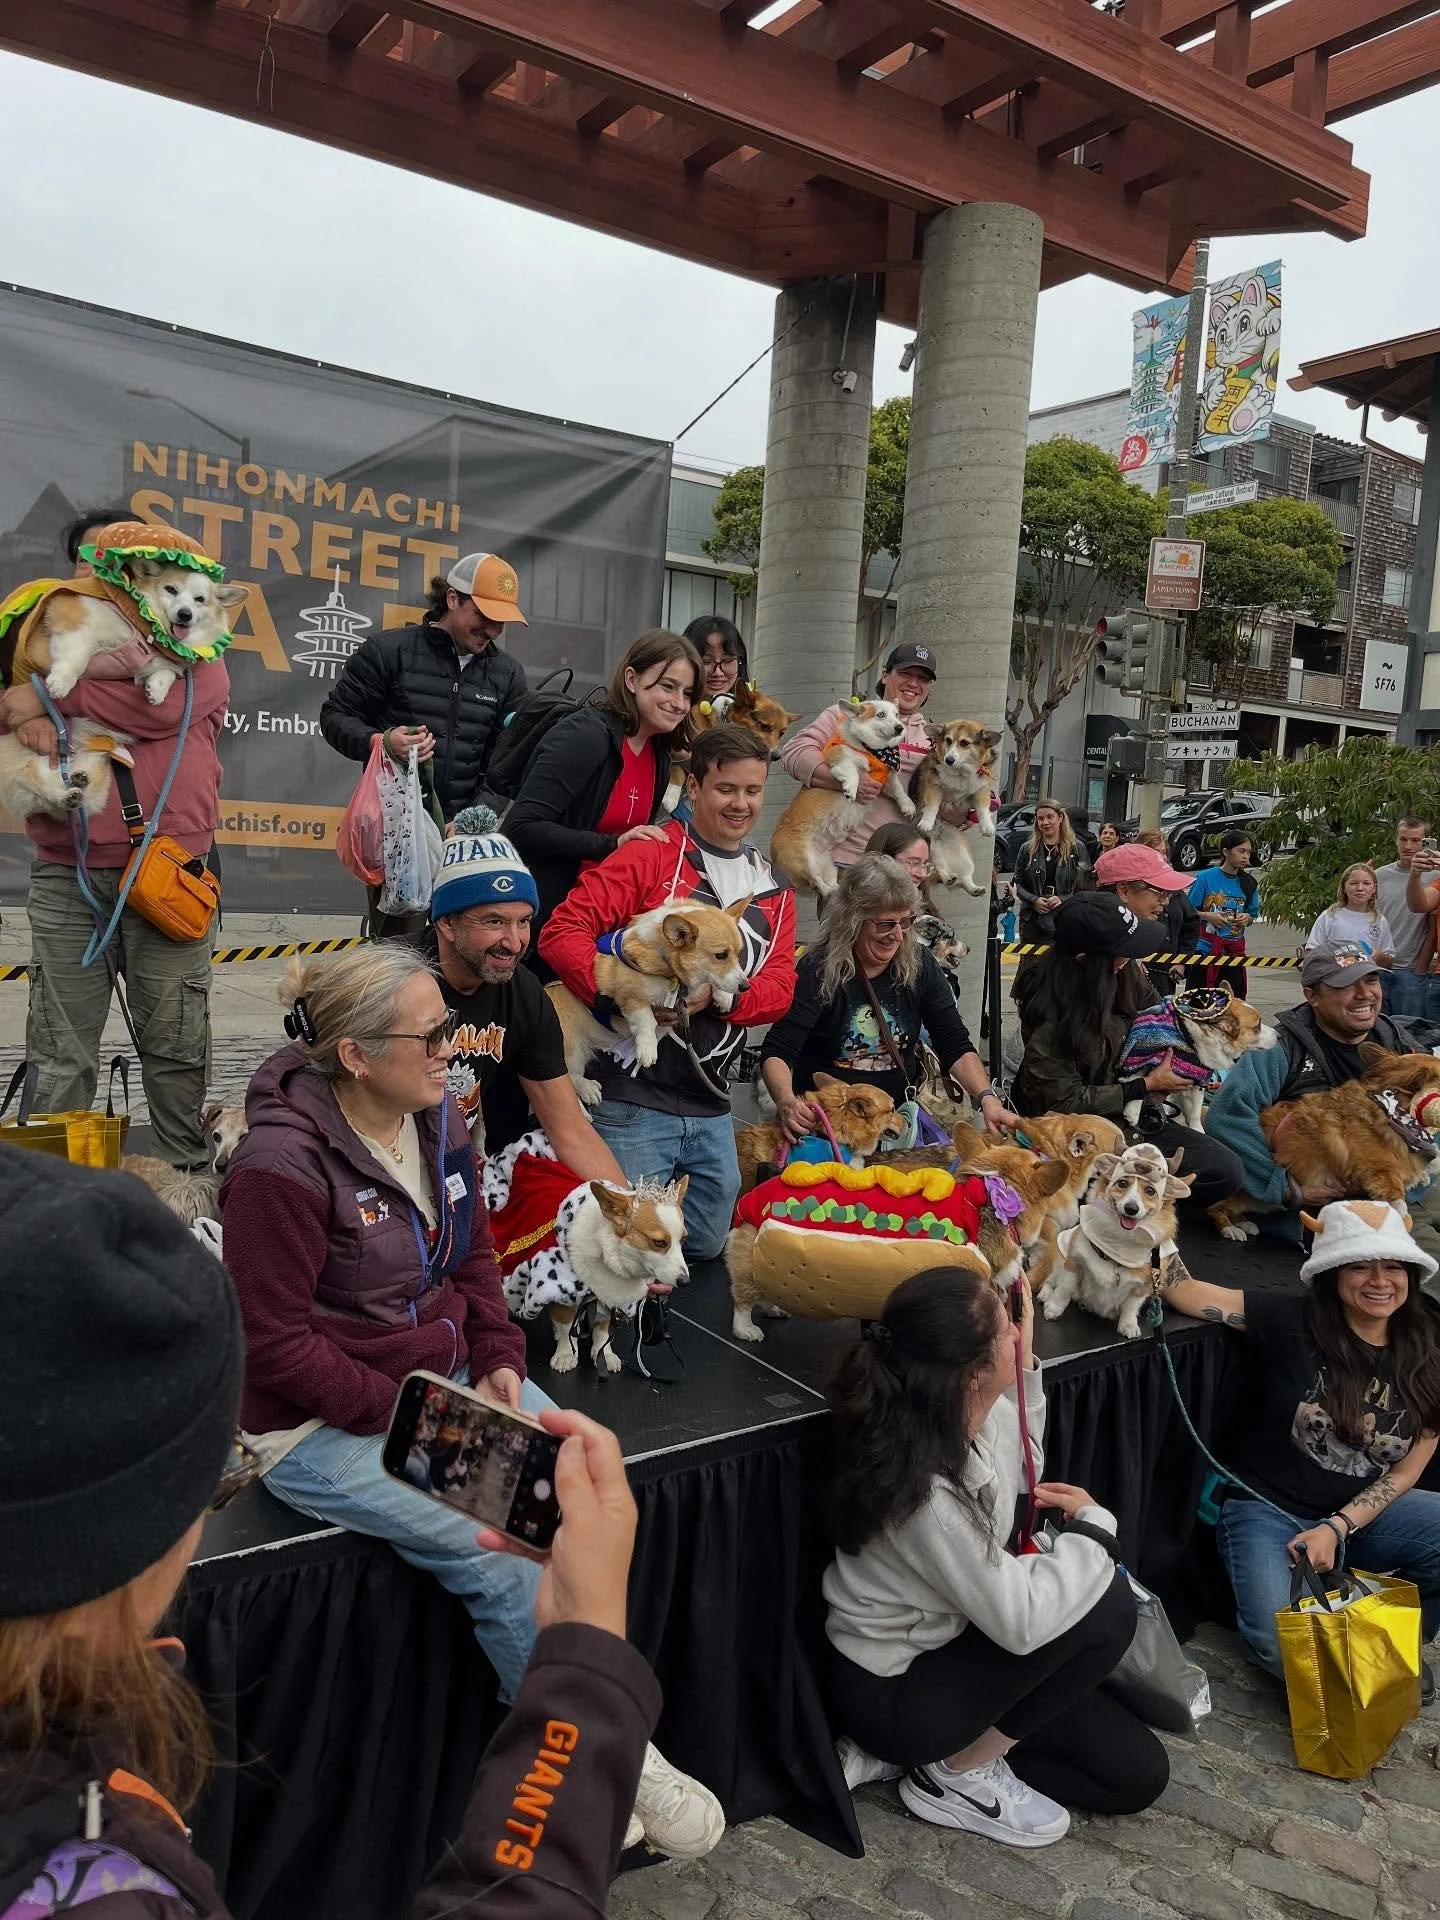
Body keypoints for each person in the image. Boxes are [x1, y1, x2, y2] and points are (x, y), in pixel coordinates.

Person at [0, 1144, 671, 1915]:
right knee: (490, 1550)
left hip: (417, 1389)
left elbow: (474, 1259)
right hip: (344, 1423)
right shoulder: (102, 1897)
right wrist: (583, 1689)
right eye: (212, 1475)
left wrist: (484, 1349)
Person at [218, 945, 721, 1856]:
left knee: (586, 1492)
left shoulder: (438, 1114)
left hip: (437, 1376)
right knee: (513, 1551)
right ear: (358, 1056)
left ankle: (587, 1717)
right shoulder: (275, 1168)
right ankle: (595, 1759)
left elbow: (474, 1254)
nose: (457, 1044)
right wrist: (422, 1413)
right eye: (435, 1032)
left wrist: (493, 1352)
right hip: (317, 1423)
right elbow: (273, 1345)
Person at [823, 1268, 1167, 1839]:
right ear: (972, 1373)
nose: (1019, 1333)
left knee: (1136, 1776)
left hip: (960, 1645)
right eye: (1009, 1327)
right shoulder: (923, 1489)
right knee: (1107, 1608)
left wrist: (1025, 1372)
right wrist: (1097, 1529)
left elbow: (1018, 1470)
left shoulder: (973, 1412)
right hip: (893, 1691)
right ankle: (952, 1771)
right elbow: (1021, 1622)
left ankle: (957, 1751)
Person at [0, 519, 229, 1170]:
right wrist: (21, 701)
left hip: (168, 874)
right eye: (96, 566)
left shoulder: (202, 644)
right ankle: (54, 1194)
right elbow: (3, 703)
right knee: (58, 1047)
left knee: (176, 1043)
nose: (108, 580)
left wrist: (37, 699)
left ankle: (187, 1192)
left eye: (123, 568)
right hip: (66, 876)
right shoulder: (43, 632)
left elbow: (157, 709)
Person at [540, 724, 796, 1261]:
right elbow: (562, 933)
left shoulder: (771, 886)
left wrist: (721, 1000)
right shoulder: (651, 855)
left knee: (700, 1248)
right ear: (695, 787)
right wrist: (619, 993)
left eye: (753, 791)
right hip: (633, 1097)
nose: (741, 803)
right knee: (626, 1260)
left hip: (712, 1104)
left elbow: (778, 986)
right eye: (727, 789)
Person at [1163, 1198, 1440, 1682]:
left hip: (1360, 1515)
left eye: (1393, 1266)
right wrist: (1151, 1225)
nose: (1379, 1280)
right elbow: (1183, 1291)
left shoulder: (1430, 1353)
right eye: (1360, 1266)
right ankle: (1354, 1651)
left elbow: (1407, 1472)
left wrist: (1337, 1527)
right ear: (1333, 1272)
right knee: (1279, 1644)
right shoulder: (1290, 1320)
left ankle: (1393, 1653)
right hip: (1267, 1509)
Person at [1011, 893, 1245, 1213]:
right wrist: (1145, 1086)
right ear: (1085, 960)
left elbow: (1163, 1018)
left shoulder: (1127, 975)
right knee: (1078, 1197)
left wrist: (1199, 1042)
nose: (1131, 959)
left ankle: (1135, 1200)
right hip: (1078, 1133)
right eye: (1123, 953)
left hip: (1138, 1116)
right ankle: (1116, 1207)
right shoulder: (1050, 1019)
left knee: (1226, 1172)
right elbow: (1064, 1101)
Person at [761, 854, 1019, 1144]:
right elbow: (779, 1049)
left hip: (891, 1126)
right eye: (885, 924)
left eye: (905, 921)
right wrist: (786, 1102)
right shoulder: (819, 969)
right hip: (825, 1131)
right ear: (853, 920)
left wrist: (987, 1099)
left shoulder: (920, 964)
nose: (896, 935)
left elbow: (954, 1042)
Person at [426, 817, 627, 1176]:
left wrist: (627, 1208)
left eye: (524, 921)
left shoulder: (524, 992)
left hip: (455, 1164)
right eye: (494, 921)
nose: (515, 941)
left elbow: (567, 1127)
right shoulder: (395, 982)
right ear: (446, 923)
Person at [1205, 949, 1440, 1235]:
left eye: (1371, 981)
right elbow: (1227, 1117)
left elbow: (1432, 1122)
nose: (1364, 994)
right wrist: (1286, 1188)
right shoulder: (1280, 1048)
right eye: (1345, 985)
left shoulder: (1400, 1043)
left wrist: (1396, 1186)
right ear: (1312, 996)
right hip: (1309, 1215)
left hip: (1398, 1196)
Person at [505, 629, 700, 950]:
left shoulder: (659, 755)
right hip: (546, 921)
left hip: (603, 922)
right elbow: (522, 827)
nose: (679, 703)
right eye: (668, 686)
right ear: (632, 679)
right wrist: (612, 844)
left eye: (688, 694)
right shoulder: (584, 736)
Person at [318, 549, 529, 826]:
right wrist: (381, 743)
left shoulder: (508, 674)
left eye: (500, 621)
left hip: (464, 838)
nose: (492, 630)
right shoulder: (388, 651)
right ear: (452, 599)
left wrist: (473, 820)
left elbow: (506, 763)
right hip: (391, 829)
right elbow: (334, 717)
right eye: (484, 616)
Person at [778, 643, 940, 875]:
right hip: (849, 865)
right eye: (905, 673)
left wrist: (966, 815)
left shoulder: (934, 739)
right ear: (885, 675)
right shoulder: (848, 715)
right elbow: (794, 752)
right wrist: (844, 781)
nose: (914, 683)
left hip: (905, 870)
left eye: (923, 678)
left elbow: (944, 804)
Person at [1096, 839, 1194, 995]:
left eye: (1168, 893)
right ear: (1124, 891)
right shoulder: (1094, 957)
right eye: (1159, 891)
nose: (1166, 901)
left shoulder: (1125, 949)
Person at [1187, 829, 1258, 998]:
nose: (1245, 856)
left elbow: (1252, 915)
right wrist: (1207, 916)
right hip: (1205, 949)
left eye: (1248, 852)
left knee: (1233, 1003)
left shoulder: (1249, 883)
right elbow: (1187, 911)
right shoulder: (1205, 878)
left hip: (1234, 952)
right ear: (1226, 852)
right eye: (1241, 851)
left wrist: (1247, 918)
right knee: (1198, 1003)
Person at [1011, 801, 1091, 944]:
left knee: (1061, 964)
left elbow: (1086, 886)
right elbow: (1017, 883)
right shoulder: (1027, 849)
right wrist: (1034, 900)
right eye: (1040, 818)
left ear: (1060, 818)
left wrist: (1063, 898)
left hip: (1066, 919)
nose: (1045, 822)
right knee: (1032, 964)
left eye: (1050, 817)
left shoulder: (1077, 848)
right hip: (1033, 922)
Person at [1377, 816, 1433, 1016]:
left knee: (1409, 1033)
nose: (1408, 846)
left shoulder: (1435, 876)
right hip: (1378, 967)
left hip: (1411, 970)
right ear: (1396, 840)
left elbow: (1433, 926)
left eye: (1416, 840)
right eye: (1403, 839)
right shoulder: (1379, 876)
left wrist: (1421, 967)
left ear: (1426, 841)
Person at [1304, 864, 1395, 968]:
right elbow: (1311, 952)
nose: (1360, 888)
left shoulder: (1379, 921)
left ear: (1374, 888)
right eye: (1353, 883)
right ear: (1344, 888)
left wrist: (1376, 955)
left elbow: (1389, 961)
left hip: (1367, 979)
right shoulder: (1329, 917)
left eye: (1366, 883)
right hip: (1334, 978)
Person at [682, 612, 749, 706]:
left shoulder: (753, 716)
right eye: (707, 661)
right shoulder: (673, 714)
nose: (718, 673)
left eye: (727, 660)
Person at [864, 820, 934, 903]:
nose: (923, 874)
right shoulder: (856, 912)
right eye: (914, 863)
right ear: (882, 861)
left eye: (925, 865)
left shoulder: (925, 913)